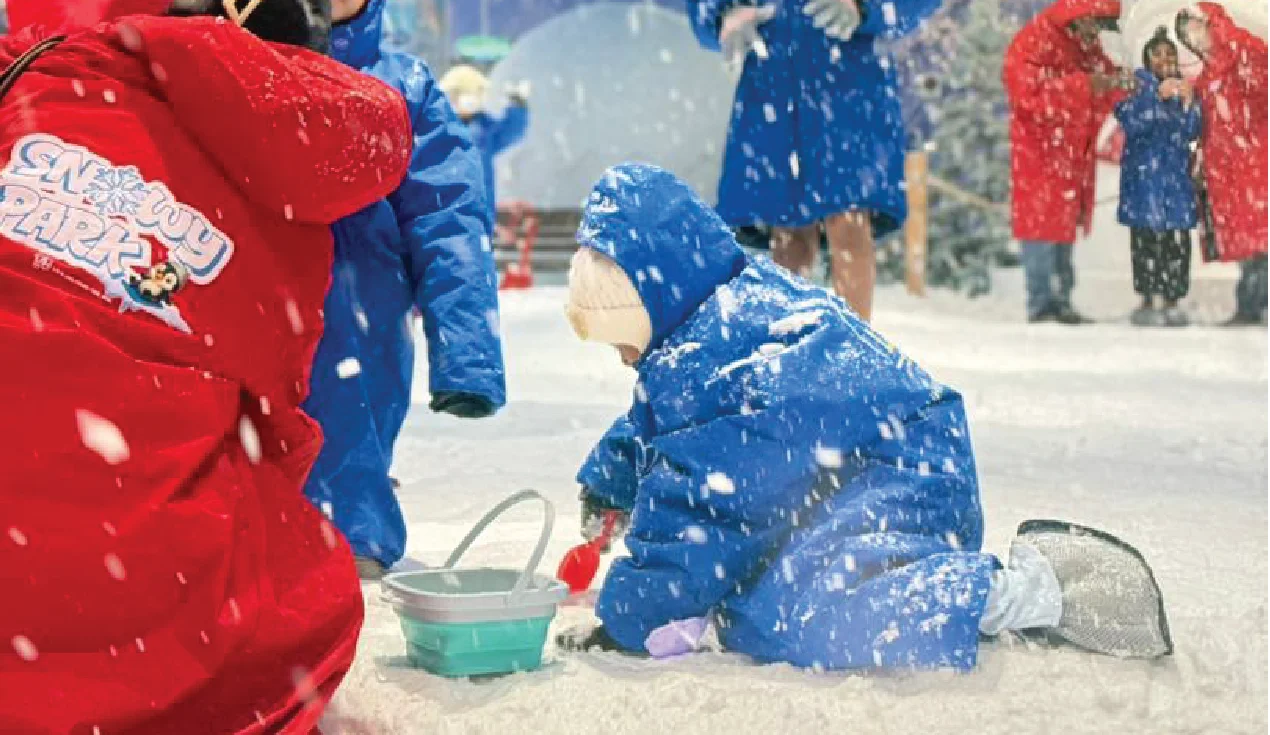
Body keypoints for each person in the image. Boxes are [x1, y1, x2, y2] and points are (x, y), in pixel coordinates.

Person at [558, 163, 1173, 670]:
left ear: (652, 305)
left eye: (620, 340)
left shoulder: (731, 365)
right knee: (746, 600)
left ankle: (1021, 596)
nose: (621, 358)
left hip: (904, 475)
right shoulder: (706, 322)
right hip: (850, 470)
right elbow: (663, 420)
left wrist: (627, 621)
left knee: (801, 618)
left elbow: (703, 508)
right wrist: (611, 480)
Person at [0, 0, 412, 731]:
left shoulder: (44, 78)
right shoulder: (279, 153)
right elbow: (273, 413)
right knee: (308, 584)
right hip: (131, 588)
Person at [305, 0, 507, 580]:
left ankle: (352, 531)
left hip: (365, 309)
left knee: (350, 425)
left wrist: (467, 357)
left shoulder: (401, 86)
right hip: (260, 302)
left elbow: (447, 218)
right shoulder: (243, 64)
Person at [686, 0, 946, 321]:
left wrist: (865, 7)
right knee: (787, 230)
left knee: (849, 220)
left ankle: (853, 349)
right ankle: (789, 347)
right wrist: (723, 13)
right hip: (773, 82)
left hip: (850, 84)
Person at [1004, 0, 1133, 324]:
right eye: (1096, 23)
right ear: (1080, 16)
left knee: (1062, 226)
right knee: (1041, 228)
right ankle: (1042, 302)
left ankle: (1060, 300)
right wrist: (1087, 86)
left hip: (1070, 151)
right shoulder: (1034, 41)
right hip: (1040, 152)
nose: (1097, 33)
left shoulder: (1082, 46)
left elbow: (1099, 90)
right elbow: (1027, 97)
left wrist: (1118, 85)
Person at [1176, 3, 1268, 326]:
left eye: (1196, 30)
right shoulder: (1209, 75)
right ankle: (1253, 304)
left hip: (1253, 166)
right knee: (1250, 243)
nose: (1195, 39)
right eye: (1188, 36)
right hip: (1230, 173)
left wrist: (1227, 34)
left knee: (1259, 241)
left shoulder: (1245, 54)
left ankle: (1253, 305)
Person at [1115, 27, 1201, 327]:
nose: (1165, 59)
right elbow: (1131, 121)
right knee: (1146, 241)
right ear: (1147, 59)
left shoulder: (1185, 90)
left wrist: (1190, 104)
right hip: (1144, 182)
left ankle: (1174, 298)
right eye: (1158, 54)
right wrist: (1156, 96)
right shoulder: (1136, 87)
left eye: (1170, 53)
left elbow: (1192, 132)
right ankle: (1149, 298)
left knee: (1177, 242)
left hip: (1176, 182)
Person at [439, 64, 531, 218]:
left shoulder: (484, 129)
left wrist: (518, 104)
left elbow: (510, 131)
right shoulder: (437, 128)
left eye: (477, 94)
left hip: (478, 214)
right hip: (442, 216)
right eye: (451, 94)